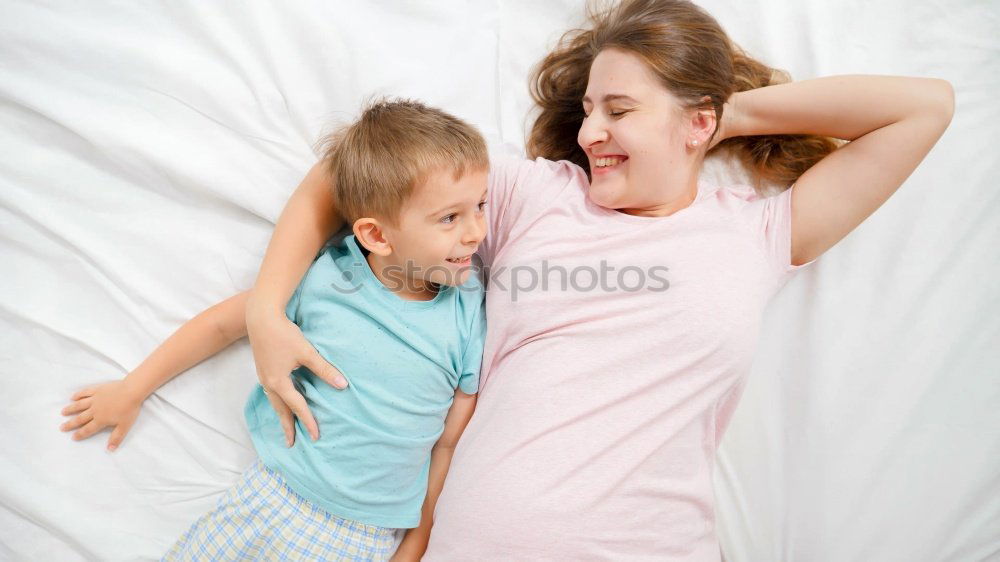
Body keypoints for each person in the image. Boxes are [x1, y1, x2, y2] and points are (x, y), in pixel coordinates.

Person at [70, 0, 956, 558]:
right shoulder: (539, 196)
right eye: (585, 112)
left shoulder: (760, 233)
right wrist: (267, 307)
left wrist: (726, 112)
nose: (589, 133)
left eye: (618, 111)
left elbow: (925, 107)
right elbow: (355, 172)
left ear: (695, 121)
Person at [60, 99, 490, 561]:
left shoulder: (468, 313)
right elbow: (229, 322)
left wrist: (416, 544)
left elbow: (447, 443)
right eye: (450, 217)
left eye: (480, 206)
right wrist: (133, 388)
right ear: (377, 236)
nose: (475, 232)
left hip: (367, 537)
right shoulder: (328, 282)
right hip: (270, 499)